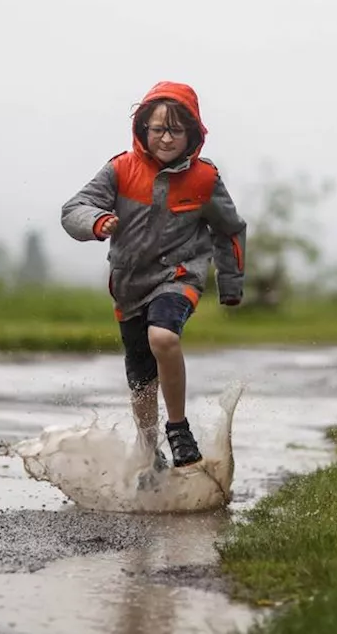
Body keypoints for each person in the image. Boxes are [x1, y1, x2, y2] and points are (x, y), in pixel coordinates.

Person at [61, 81, 247, 469]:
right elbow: (74, 208)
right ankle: (148, 453)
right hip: (129, 285)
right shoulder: (120, 170)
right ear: (143, 128)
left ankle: (178, 428)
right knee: (142, 381)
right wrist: (98, 221)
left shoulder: (204, 179)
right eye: (158, 128)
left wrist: (230, 283)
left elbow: (229, 229)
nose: (166, 138)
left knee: (162, 336)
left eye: (176, 129)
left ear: (192, 133)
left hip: (179, 276)